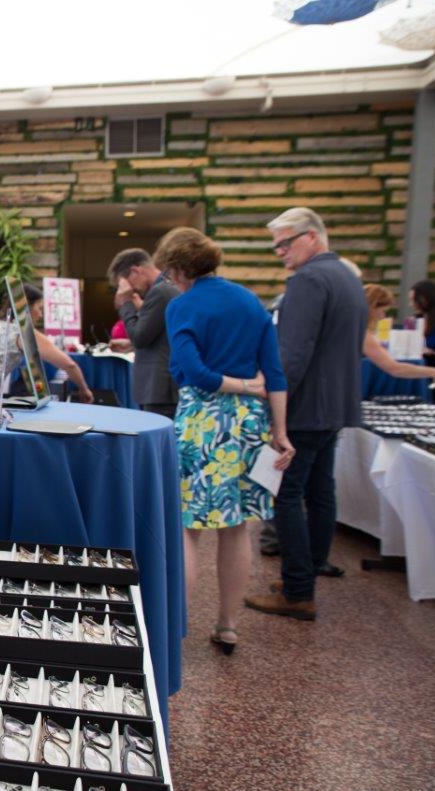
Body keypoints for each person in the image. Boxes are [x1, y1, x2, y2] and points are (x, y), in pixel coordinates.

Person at [158, 227, 294, 654]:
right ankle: (228, 625)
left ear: (179, 269)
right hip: (252, 425)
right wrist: (281, 432)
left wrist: (235, 384)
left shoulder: (183, 306)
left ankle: (175, 631)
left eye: (168, 271)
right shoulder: (250, 301)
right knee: (238, 529)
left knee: (188, 527)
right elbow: (275, 373)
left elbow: (193, 372)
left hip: (203, 421)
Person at [245, 207, 367, 622]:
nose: (279, 251)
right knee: (319, 491)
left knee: (287, 495)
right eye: (275, 244)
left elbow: (291, 356)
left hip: (305, 407)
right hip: (335, 405)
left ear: (312, 236)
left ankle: (298, 590)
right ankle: (307, 573)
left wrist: (273, 410)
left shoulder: (309, 280)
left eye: (285, 242)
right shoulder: (347, 278)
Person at [107, 248, 179, 417]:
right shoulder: (168, 287)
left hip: (160, 389)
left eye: (125, 284)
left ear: (135, 271)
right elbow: (160, 336)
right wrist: (131, 345)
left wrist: (126, 303)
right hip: (164, 387)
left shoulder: (160, 291)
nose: (132, 291)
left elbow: (140, 337)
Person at [361, 283, 435, 388]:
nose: (382, 316)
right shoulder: (361, 334)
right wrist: (434, 372)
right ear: (372, 308)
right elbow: (395, 368)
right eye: (382, 311)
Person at [22, 285, 95, 403]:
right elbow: (69, 365)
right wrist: (84, 389)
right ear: (28, 308)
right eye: (39, 308)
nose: (40, 315)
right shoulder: (22, 332)